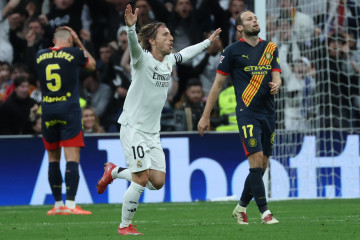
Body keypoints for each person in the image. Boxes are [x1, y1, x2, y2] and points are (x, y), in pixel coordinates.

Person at [96, 4, 221, 235]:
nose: (171, 38)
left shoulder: (169, 61)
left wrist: (208, 42)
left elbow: (187, 53)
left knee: (157, 182)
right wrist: (131, 29)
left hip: (153, 132)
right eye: (166, 35)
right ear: (152, 40)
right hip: (133, 126)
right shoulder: (141, 60)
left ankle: (113, 171)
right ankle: (124, 226)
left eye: (171, 34)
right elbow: (134, 47)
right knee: (141, 178)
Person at [197, 10, 281, 225]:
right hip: (247, 113)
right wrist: (205, 116)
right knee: (255, 159)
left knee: (262, 166)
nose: (255, 20)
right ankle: (265, 213)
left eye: (256, 17)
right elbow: (217, 85)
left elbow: (276, 74)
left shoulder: (270, 48)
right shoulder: (232, 51)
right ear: (240, 28)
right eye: (250, 19)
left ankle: (241, 207)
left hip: (269, 112)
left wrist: (277, 83)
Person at [35, 25, 96, 215]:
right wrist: (79, 42)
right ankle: (70, 205)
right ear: (69, 40)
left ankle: (57, 205)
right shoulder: (75, 52)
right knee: (72, 158)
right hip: (69, 110)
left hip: (48, 111)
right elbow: (92, 65)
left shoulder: (40, 55)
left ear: (54, 40)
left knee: (53, 159)